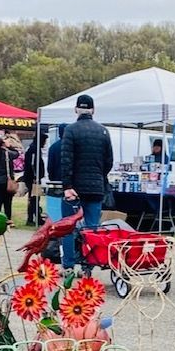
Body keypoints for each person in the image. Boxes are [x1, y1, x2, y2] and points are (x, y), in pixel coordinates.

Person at [60, 94, 113, 268]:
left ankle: (68, 266)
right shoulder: (103, 131)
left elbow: (66, 160)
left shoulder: (70, 130)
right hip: (96, 187)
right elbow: (109, 161)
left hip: (74, 188)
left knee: (68, 226)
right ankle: (88, 266)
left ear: (76, 109)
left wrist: (67, 185)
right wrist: (99, 175)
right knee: (92, 228)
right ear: (93, 110)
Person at [0, 136, 17, 220]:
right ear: (3, 145)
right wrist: (9, 146)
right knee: (8, 203)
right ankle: (8, 220)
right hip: (7, 181)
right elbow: (17, 153)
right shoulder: (8, 155)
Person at [44, 123, 66, 223]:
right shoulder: (73, 146)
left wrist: (52, 178)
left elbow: (50, 166)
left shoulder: (53, 147)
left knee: (56, 207)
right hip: (69, 182)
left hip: (56, 181)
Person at [23, 131, 46, 225]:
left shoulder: (32, 147)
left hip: (32, 177)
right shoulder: (34, 149)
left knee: (33, 198)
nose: (44, 143)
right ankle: (34, 218)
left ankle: (32, 218)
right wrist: (36, 176)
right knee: (34, 198)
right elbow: (33, 163)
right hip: (33, 178)